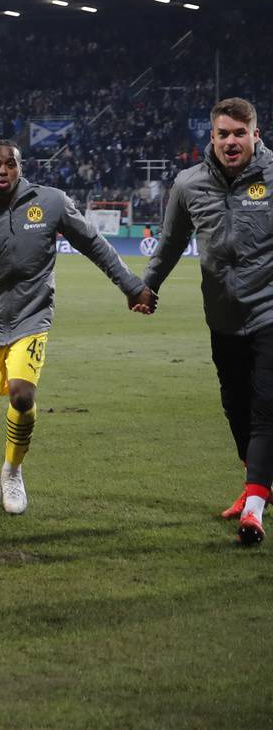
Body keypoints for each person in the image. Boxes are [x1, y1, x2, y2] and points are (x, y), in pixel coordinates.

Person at [0, 140, 147, 514]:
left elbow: (93, 243)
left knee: (22, 396)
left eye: (10, 163)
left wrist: (131, 285)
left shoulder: (50, 202)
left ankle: (12, 472)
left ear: (20, 167)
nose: (3, 170)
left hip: (31, 316)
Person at [139, 98, 273, 546]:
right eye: (223, 134)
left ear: (255, 134)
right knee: (235, 407)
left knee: (264, 407)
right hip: (222, 317)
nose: (231, 141)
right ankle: (257, 481)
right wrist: (148, 286)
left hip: (270, 313)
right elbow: (172, 241)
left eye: (239, 133)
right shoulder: (189, 184)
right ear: (210, 138)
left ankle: (254, 506)